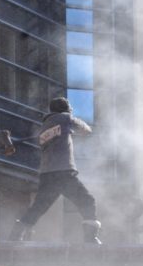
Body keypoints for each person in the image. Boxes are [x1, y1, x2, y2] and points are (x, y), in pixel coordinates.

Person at [6, 96, 101, 244]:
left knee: (39, 207)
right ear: (66, 109)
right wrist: (73, 126)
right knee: (87, 201)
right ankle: (90, 238)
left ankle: (16, 234)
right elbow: (86, 130)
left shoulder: (44, 127)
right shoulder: (65, 118)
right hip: (64, 173)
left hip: (47, 175)